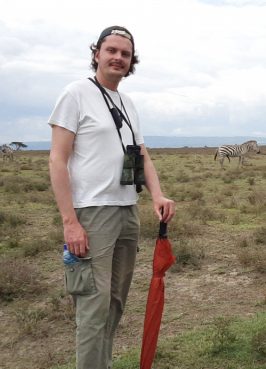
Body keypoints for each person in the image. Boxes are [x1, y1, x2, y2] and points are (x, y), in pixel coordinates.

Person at [47, 25, 176, 369]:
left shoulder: (127, 102)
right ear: (96, 55)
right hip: (92, 213)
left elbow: (142, 155)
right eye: (112, 50)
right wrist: (70, 222)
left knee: (115, 302)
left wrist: (157, 195)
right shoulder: (75, 93)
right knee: (93, 303)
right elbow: (57, 159)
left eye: (125, 53)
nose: (118, 57)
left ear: (131, 62)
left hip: (126, 212)